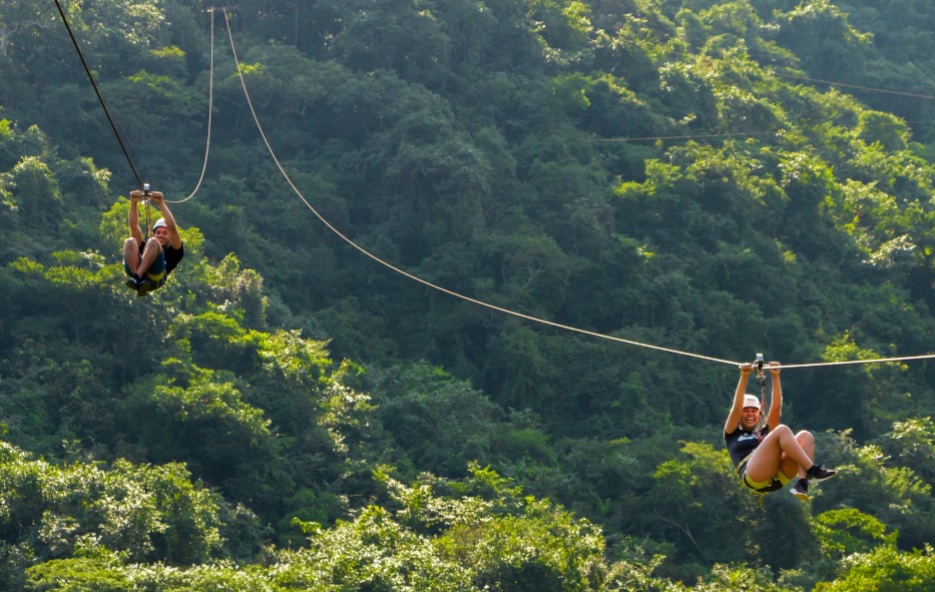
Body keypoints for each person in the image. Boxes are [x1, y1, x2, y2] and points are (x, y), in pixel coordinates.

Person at [724, 361, 836, 500]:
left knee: (805, 436)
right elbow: (736, 408)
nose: (750, 414)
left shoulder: (765, 433)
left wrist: (776, 376)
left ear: (759, 414)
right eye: (746, 411)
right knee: (781, 430)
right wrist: (744, 376)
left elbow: (776, 409)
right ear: (740, 415)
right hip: (754, 475)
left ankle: (802, 483)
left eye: (754, 411)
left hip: (778, 477)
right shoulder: (732, 432)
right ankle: (812, 470)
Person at [123, 188, 184, 297]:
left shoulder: (175, 251)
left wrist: (160, 203)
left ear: (170, 236)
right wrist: (133, 203)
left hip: (154, 279)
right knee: (130, 241)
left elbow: (172, 228)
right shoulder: (146, 246)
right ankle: (136, 277)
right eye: (158, 232)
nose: (161, 235)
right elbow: (134, 227)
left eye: (165, 233)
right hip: (134, 272)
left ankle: (137, 277)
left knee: (153, 243)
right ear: (154, 233)